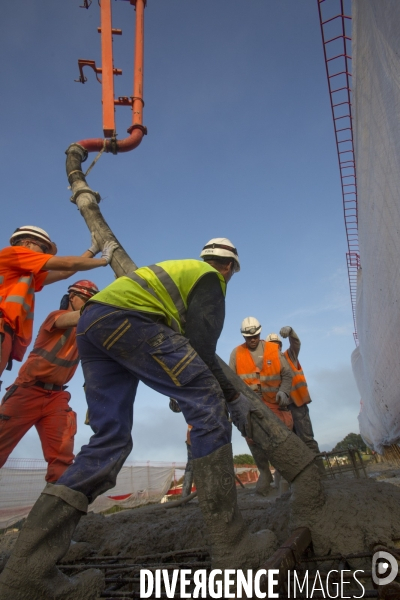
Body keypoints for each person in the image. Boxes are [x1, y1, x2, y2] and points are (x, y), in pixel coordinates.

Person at [0, 238, 274, 600]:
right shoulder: (211, 279)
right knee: (209, 407)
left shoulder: (172, 275)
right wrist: (231, 396)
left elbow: (176, 348)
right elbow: (203, 351)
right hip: (124, 322)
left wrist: (181, 383)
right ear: (229, 267)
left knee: (109, 439)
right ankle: (234, 548)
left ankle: (27, 570)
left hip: (92, 328)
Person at [0, 280, 99, 483]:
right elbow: (77, 318)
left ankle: (55, 507)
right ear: (72, 297)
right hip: (27, 392)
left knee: (62, 457)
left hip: (56, 396)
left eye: (93, 301)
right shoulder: (55, 317)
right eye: (87, 300)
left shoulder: (86, 332)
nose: (90, 305)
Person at [0, 225, 117, 382]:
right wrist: (103, 260)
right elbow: (67, 263)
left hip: (7, 331)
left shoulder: (25, 275)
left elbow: (63, 273)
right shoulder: (13, 253)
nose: (45, 255)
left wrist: (92, 250)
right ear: (27, 243)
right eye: (44, 249)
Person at [229, 319, 294, 495]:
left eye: (255, 336)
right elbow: (230, 382)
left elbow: (287, 374)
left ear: (260, 332)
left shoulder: (273, 350)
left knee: (279, 438)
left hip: (274, 403)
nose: (253, 339)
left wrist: (284, 392)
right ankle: (264, 472)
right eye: (249, 337)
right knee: (252, 439)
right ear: (244, 336)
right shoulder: (236, 353)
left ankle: (282, 476)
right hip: (250, 406)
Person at [279, 326, 322, 460]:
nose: (274, 349)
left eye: (276, 345)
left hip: (298, 405)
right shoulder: (269, 366)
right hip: (283, 409)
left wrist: (291, 332)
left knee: (307, 439)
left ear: (280, 346)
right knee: (294, 444)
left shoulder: (288, 356)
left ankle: (320, 474)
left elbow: (296, 344)